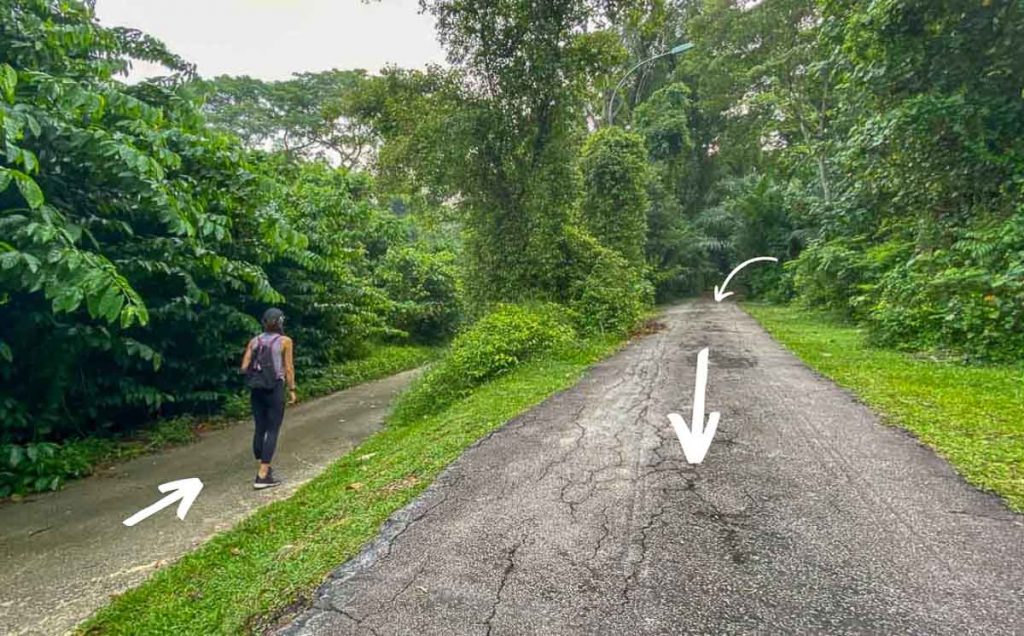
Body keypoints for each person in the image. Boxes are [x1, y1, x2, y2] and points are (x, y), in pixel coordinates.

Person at [240, 308, 297, 489]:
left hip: (256, 389)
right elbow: (288, 368)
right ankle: (263, 475)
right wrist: (292, 389)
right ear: (280, 322)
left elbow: (244, 367)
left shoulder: (254, 341)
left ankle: (262, 465)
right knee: (272, 430)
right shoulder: (285, 341)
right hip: (275, 388)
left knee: (259, 428)